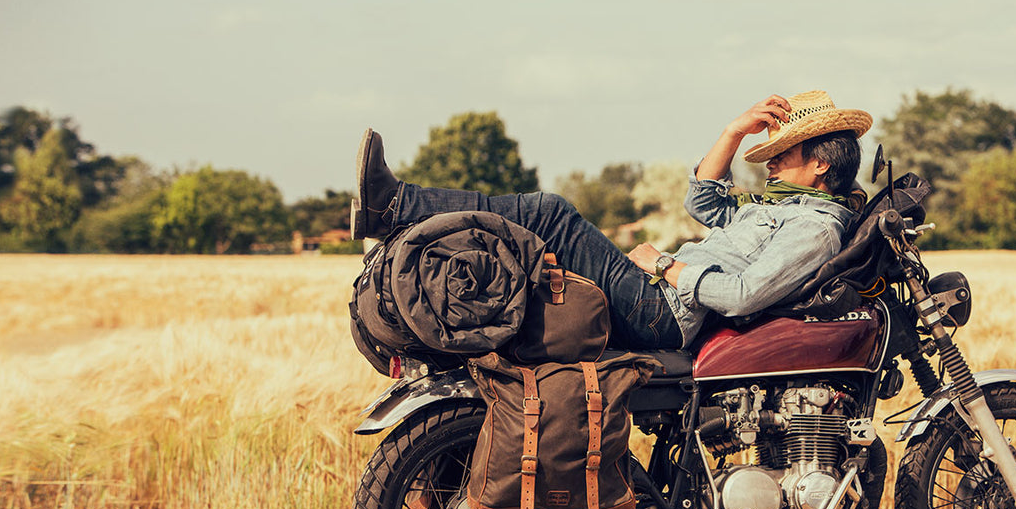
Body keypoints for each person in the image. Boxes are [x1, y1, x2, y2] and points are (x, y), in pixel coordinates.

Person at [352, 90, 869, 351]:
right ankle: (404, 218)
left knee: (550, 213)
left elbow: (741, 295)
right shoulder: (782, 209)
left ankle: (397, 207)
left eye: (784, 151)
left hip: (662, 311)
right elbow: (704, 204)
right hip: (653, 291)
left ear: (821, 163)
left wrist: (666, 265)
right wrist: (732, 131)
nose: (772, 161)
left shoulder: (814, 229)